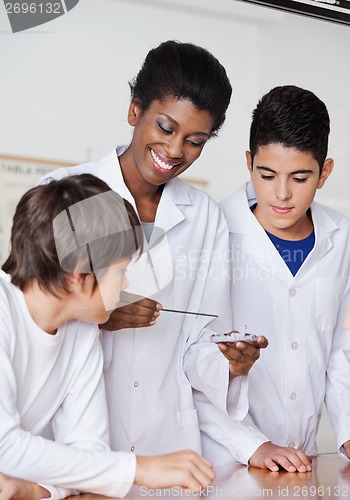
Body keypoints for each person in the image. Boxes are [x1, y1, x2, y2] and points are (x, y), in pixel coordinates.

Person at [37, 41, 309, 472]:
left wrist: (229, 363)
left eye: (195, 140)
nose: (175, 150)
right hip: (72, 446)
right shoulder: (63, 191)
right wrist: (95, 313)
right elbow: (21, 323)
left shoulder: (204, 218)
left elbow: (201, 346)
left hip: (169, 452)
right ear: (134, 111)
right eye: (165, 127)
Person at [0, 174, 215, 500]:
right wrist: (139, 469)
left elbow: (90, 455)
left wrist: (33, 488)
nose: (126, 283)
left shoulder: (81, 327)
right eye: (120, 271)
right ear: (80, 275)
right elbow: (5, 446)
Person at [220, 85, 350, 461]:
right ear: (249, 163)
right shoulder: (214, 231)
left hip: (302, 459)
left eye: (299, 178)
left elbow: (341, 353)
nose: (281, 194)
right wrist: (251, 444)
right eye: (267, 175)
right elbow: (192, 363)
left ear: (324, 173)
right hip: (225, 456)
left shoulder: (341, 240)